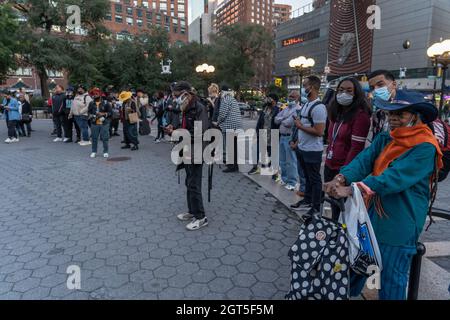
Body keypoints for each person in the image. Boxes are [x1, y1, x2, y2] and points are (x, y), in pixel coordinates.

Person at [324, 91, 443, 300]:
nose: (393, 119)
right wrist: (341, 178)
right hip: (371, 213)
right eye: (390, 114)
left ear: (416, 116)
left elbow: (393, 178)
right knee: (359, 265)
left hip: (399, 220)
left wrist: (352, 189)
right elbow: (364, 160)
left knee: (390, 278)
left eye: (401, 114)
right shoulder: (386, 137)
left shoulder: (425, 146)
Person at [324, 77, 371, 220]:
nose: (344, 93)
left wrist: (344, 174)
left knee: (344, 208)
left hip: (345, 168)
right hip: (330, 163)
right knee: (333, 203)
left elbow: (356, 148)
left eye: (349, 90)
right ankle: (334, 230)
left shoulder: (361, 116)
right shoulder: (336, 112)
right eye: (341, 90)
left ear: (356, 93)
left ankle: (342, 235)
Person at [165, 81, 210, 231]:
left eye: (176, 95)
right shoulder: (186, 107)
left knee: (194, 184)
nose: (174, 98)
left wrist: (177, 133)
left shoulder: (199, 108)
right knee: (189, 182)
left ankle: (201, 217)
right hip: (186, 149)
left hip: (197, 151)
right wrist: (174, 128)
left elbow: (199, 133)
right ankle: (192, 212)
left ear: (186, 93)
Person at [290, 76, 327, 216]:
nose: (303, 88)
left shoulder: (319, 107)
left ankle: (316, 207)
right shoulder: (306, 104)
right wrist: (297, 142)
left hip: (313, 151)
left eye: (304, 85)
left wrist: (300, 126)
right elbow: (302, 126)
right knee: (306, 177)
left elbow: (319, 131)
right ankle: (307, 200)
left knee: (315, 179)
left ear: (311, 87)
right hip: (302, 148)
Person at [248, 93, 280, 176]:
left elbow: (278, 123)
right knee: (256, 150)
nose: (267, 100)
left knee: (271, 153)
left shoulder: (278, 110)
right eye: (267, 98)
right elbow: (259, 122)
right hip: (262, 133)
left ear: (274, 101)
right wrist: (257, 131)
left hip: (272, 135)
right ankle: (255, 167)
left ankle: (273, 169)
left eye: (269, 98)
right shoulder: (265, 109)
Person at [274, 91, 301, 190]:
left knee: (291, 161)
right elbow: (276, 119)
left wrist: (282, 119)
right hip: (282, 136)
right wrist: (283, 118)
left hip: (290, 137)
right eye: (289, 96)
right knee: (282, 160)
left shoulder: (298, 109)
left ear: (298, 98)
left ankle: (292, 182)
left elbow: (288, 123)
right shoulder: (286, 109)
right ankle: (284, 179)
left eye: (293, 97)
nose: (290, 98)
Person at [217, 84, 243, 173]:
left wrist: (217, 122)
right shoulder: (233, 99)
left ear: (223, 92)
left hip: (229, 126)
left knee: (230, 147)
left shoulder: (225, 99)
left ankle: (231, 166)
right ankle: (235, 165)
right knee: (234, 147)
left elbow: (222, 114)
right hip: (237, 126)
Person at [368, 70, 398, 138]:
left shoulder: (408, 111)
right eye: (372, 88)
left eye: (380, 84)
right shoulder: (377, 114)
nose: (376, 89)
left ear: (394, 85)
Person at [88, 88, 112, 158]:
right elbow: (89, 112)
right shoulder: (91, 103)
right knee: (94, 138)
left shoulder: (106, 103)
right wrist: (91, 116)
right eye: (93, 94)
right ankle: (94, 151)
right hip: (94, 123)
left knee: (105, 138)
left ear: (100, 94)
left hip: (104, 123)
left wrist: (103, 114)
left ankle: (105, 151)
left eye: (96, 94)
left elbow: (111, 113)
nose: (95, 95)